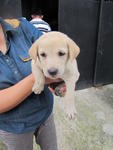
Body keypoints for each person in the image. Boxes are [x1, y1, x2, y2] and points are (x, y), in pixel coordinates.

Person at [0, 17, 59, 150]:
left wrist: (58, 80)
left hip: (44, 113)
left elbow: (52, 52)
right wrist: (36, 78)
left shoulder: (21, 26)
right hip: (14, 127)